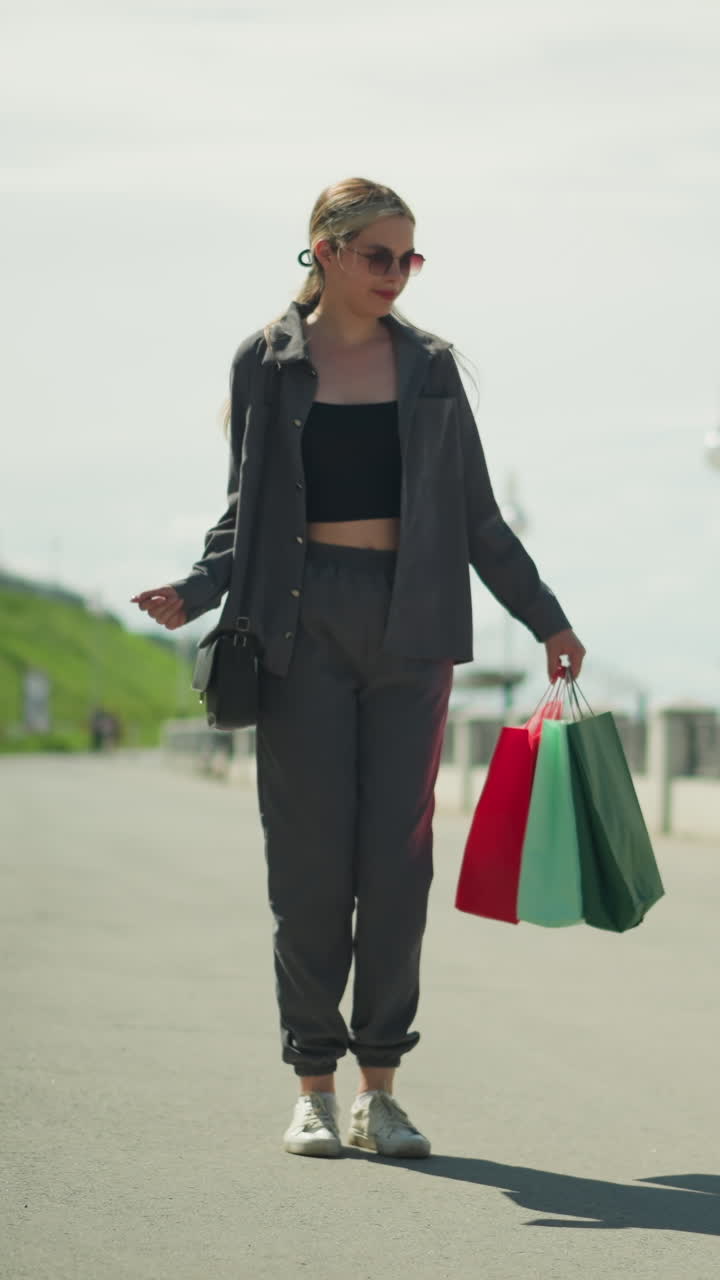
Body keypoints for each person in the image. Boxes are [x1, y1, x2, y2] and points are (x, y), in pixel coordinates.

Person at [131, 177, 586, 1160]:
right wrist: (196, 587)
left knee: (395, 864)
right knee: (307, 863)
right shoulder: (268, 363)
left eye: (408, 258)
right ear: (325, 252)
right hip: (298, 626)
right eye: (378, 254)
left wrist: (545, 616)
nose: (395, 274)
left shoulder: (429, 368)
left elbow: (476, 517)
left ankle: (382, 1087)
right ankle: (313, 1085)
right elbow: (243, 512)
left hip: (411, 624)